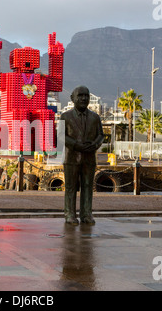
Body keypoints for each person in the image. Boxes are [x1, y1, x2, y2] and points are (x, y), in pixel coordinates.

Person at [61, 86, 104, 225]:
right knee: (70, 187)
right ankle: (69, 214)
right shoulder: (65, 116)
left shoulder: (95, 117)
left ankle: (86, 214)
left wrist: (95, 145)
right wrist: (76, 144)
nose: (84, 98)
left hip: (89, 157)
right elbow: (60, 136)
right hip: (71, 157)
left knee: (87, 186)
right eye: (80, 95)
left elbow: (101, 135)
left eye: (86, 95)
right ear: (73, 98)